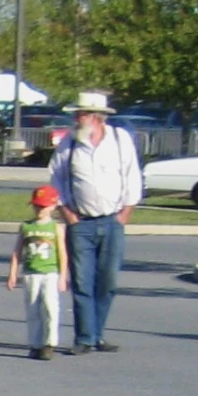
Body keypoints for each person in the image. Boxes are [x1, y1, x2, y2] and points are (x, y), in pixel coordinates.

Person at [48, 91, 144, 354]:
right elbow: (56, 179)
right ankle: (85, 338)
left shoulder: (119, 139)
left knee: (107, 281)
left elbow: (132, 175)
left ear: (96, 117)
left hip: (112, 220)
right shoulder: (69, 143)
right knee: (81, 281)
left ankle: (98, 333)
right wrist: (66, 212)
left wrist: (126, 212)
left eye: (82, 114)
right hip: (81, 222)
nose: (78, 119)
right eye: (77, 114)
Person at [7, 185, 70, 360]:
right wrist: (13, 273)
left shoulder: (56, 228)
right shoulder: (26, 226)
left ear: (53, 206)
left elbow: (62, 253)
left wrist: (63, 276)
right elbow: (17, 251)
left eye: (43, 206)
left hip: (50, 273)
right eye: (36, 206)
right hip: (30, 273)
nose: (39, 210)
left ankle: (49, 343)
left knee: (50, 306)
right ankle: (35, 344)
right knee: (33, 309)